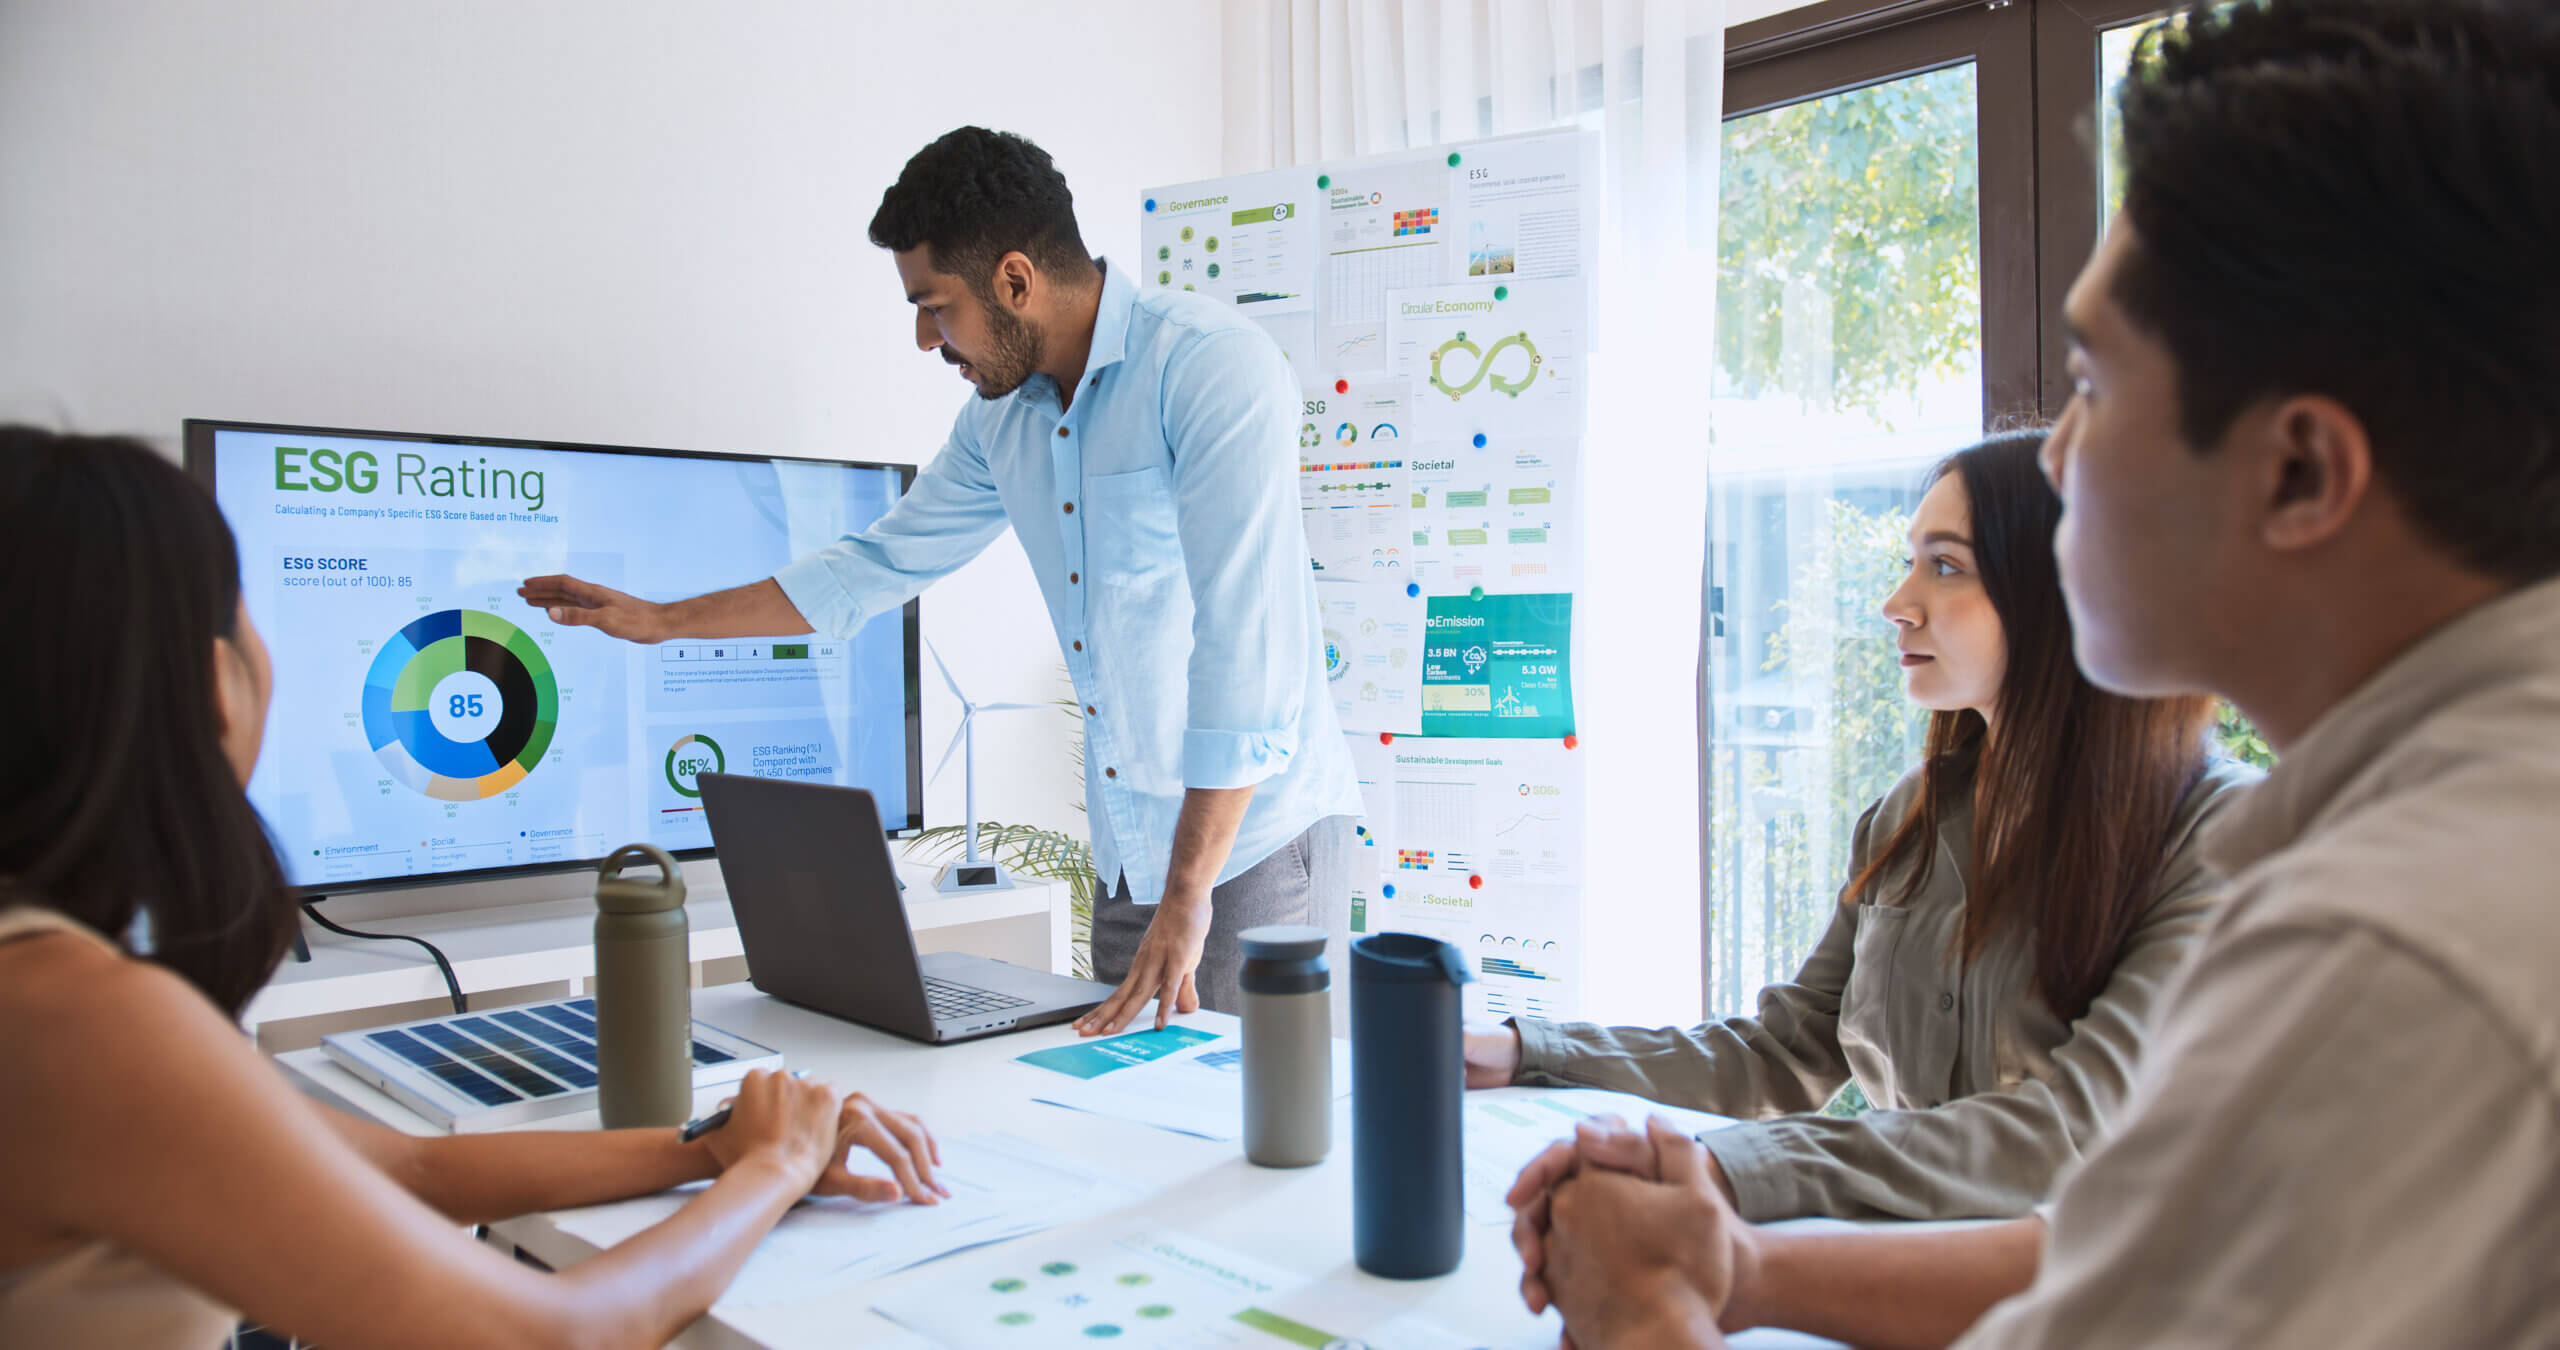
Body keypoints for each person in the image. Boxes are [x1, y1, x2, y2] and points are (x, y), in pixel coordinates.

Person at [1513, 1, 2560, 1344]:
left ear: (2299, 469)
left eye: (2088, 385)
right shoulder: (2439, 829)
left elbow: (2077, 1176)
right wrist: (1737, 1269)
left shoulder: (2383, 942)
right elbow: (2127, 1242)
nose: (2057, 459)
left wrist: (1650, 1305)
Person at [0, 428, 947, 1349]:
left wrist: (713, 1148)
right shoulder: (80, 1026)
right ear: (214, 682)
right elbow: (554, 1333)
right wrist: (774, 1166)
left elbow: (407, 1165)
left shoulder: (49, 992)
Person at [518, 127, 1363, 1036]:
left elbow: (1248, 644)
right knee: (1137, 1129)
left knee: (1251, 1138)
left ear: (1013, 279)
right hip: (1132, 852)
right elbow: (875, 565)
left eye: (934, 305)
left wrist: (1188, 894)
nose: (926, 338)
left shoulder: (1206, 368)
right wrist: (662, 620)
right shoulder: (1000, 423)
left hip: (1252, 845)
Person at [1464, 431, 2254, 1222]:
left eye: (1945, 566)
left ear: (2067, 588)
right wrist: (1529, 1053)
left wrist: (1730, 1172)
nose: (1896, 604)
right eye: (1911, 563)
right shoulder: (1907, 819)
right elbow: (1784, 1053)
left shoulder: (2219, 835)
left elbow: (2074, 1134)